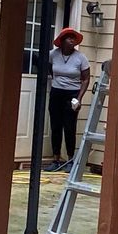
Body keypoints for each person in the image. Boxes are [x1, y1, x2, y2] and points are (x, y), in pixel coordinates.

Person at [46, 27, 91, 168]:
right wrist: (57, 82)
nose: (72, 41)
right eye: (69, 38)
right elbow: (49, 70)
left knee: (70, 126)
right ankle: (55, 159)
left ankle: (70, 160)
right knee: (56, 126)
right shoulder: (53, 54)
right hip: (56, 93)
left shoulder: (80, 58)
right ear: (62, 40)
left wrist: (79, 98)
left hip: (72, 94)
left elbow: (86, 79)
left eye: (74, 38)